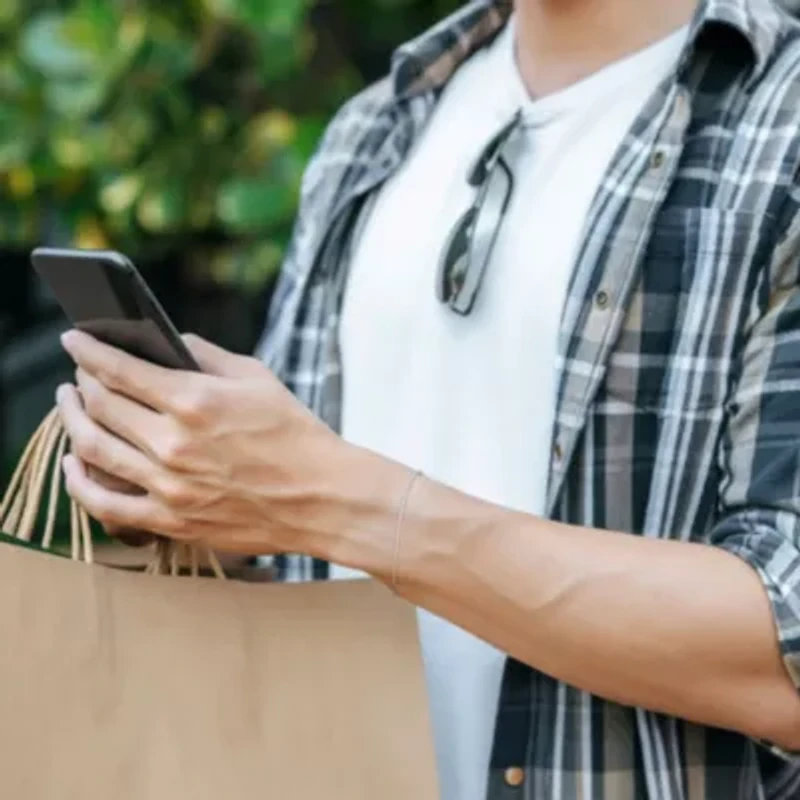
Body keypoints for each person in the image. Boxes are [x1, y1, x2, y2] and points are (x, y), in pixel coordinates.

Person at [54, 0, 800, 797]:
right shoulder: (375, 128)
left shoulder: (780, 128)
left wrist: (339, 503)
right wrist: (187, 490)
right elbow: (289, 542)